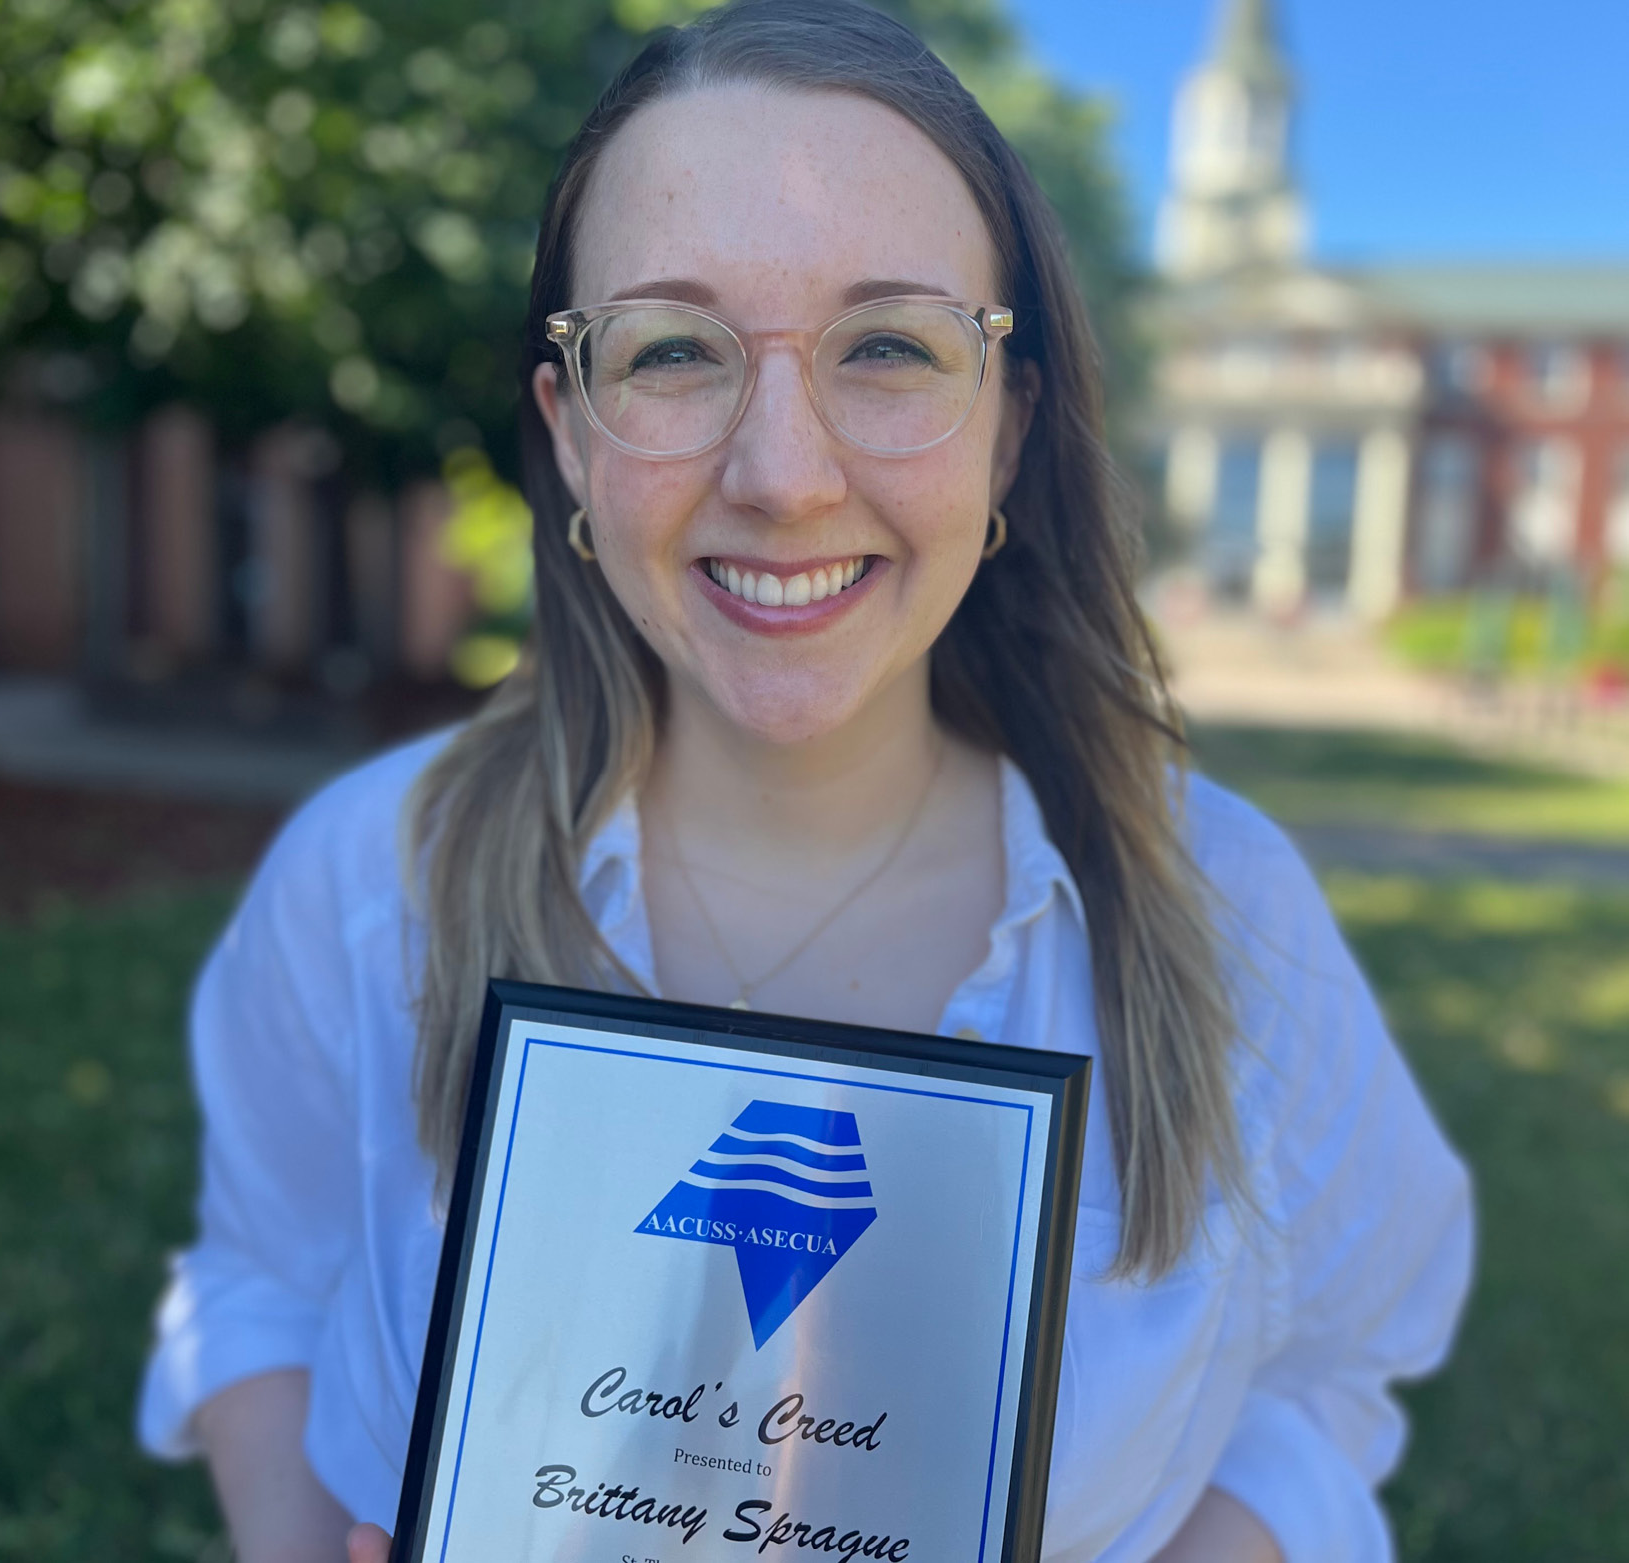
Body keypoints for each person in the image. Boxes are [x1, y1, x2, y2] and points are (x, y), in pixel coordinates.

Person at [137, 4, 1473, 1560]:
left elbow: (1328, 1370)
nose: (783, 475)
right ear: (570, 435)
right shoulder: (366, 882)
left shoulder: (1229, 920)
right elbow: (259, 1279)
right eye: (673, 350)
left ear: (1010, 427)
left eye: (890, 346)